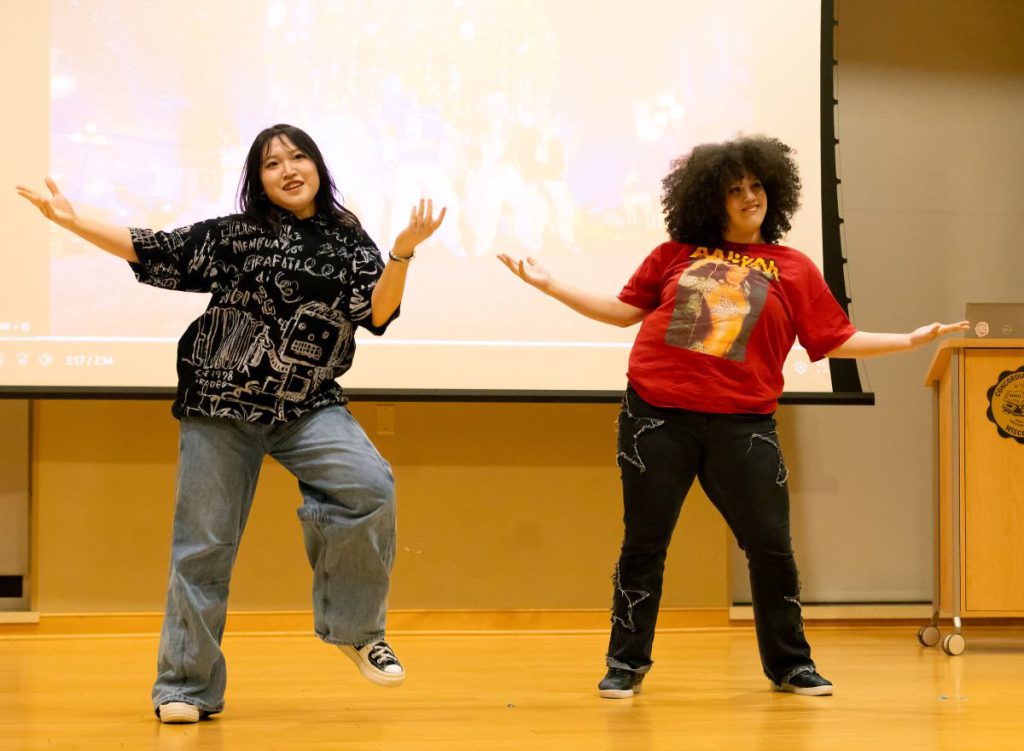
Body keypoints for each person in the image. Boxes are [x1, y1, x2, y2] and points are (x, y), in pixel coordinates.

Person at [498, 135, 966, 698]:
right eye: (734, 189)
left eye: (757, 185)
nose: (750, 197)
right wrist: (550, 285)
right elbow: (623, 312)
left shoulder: (793, 267)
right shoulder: (674, 255)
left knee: (771, 548)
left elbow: (834, 338)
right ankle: (625, 663)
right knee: (644, 544)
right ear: (709, 200)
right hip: (656, 417)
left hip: (744, 425)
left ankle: (790, 665)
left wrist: (909, 340)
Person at [17, 123, 445, 722]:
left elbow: (376, 311)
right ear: (258, 180)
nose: (288, 169)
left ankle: (355, 630)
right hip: (221, 403)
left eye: (298, 157)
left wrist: (401, 253)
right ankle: (185, 687)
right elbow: (154, 248)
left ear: (318, 166)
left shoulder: (347, 237)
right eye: (272, 163)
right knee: (204, 547)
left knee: (369, 488)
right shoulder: (235, 235)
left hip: (307, 404)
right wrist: (71, 220)